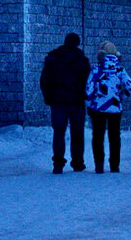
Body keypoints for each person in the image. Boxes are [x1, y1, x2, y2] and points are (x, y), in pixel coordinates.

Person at [40, 32, 90, 174]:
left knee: (58, 132)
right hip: (77, 102)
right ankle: (78, 163)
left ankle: (58, 164)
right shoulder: (82, 60)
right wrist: (85, 96)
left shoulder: (52, 58)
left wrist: (48, 97)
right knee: (77, 133)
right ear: (77, 43)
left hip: (58, 101)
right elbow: (88, 82)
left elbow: (44, 80)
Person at [86, 40, 131, 174]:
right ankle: (114, 166)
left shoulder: (96, 69)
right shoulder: (120, 69)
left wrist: (90, 104)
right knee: (114, 137)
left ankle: (99, 165)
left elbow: (88, 90)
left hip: (98, 109)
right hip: (115, 108)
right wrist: (121, 97)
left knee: (98, 136)